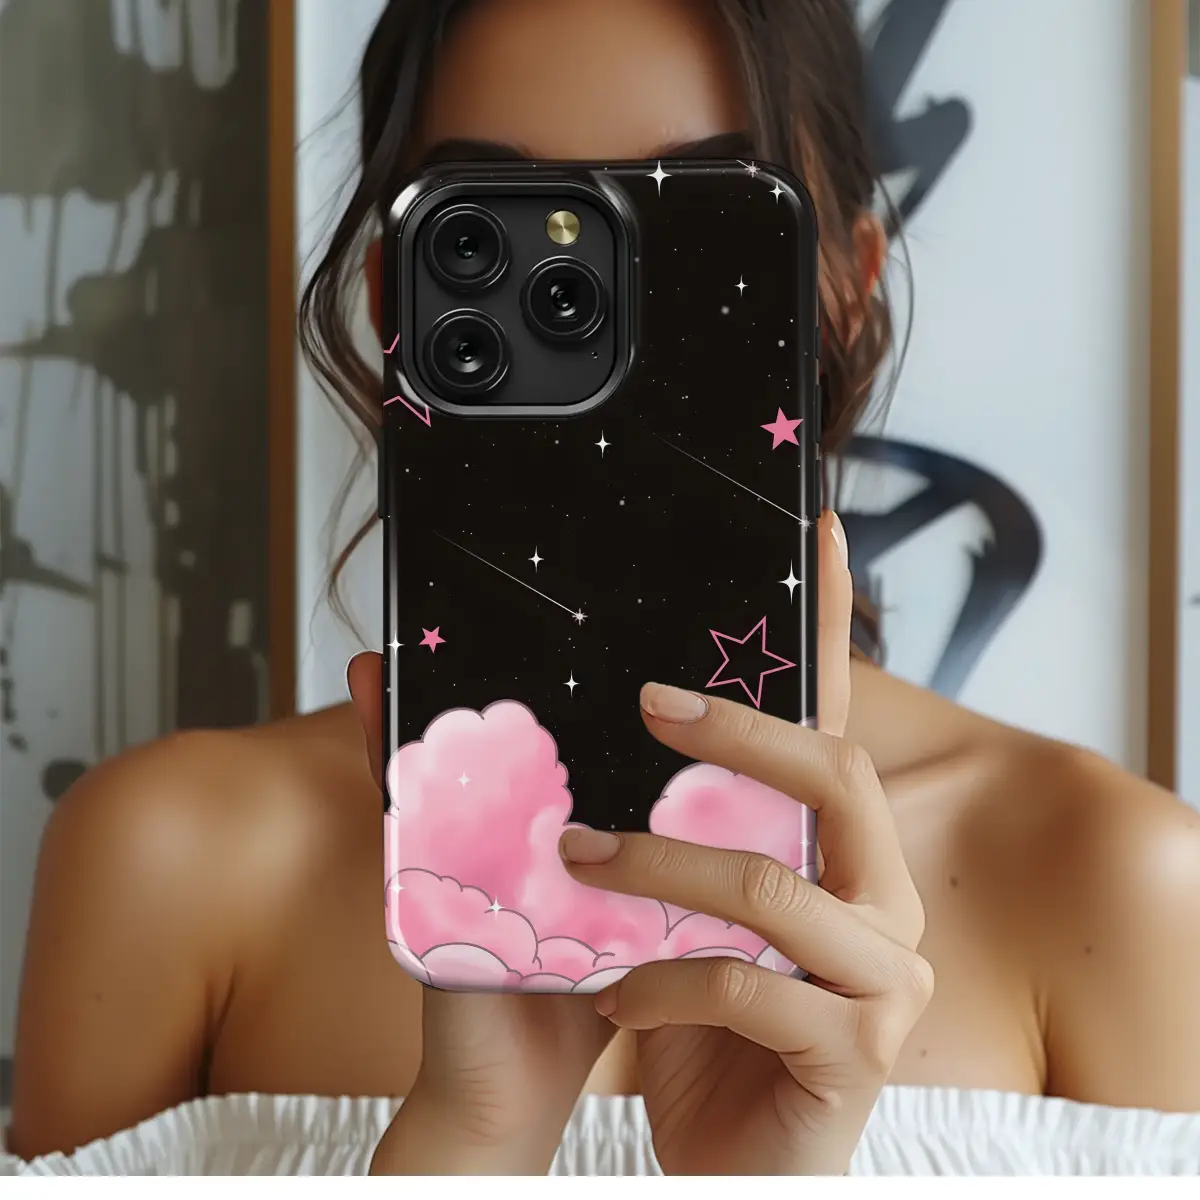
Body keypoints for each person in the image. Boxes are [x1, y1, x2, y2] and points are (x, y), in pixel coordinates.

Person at [8, 0, 1200, 1177]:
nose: (589, 294)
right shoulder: (171, 862)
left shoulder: (1115, 882)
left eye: (702, 226)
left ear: (846, 288)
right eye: (490, 228)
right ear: (392, 298)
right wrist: (475, 1139)